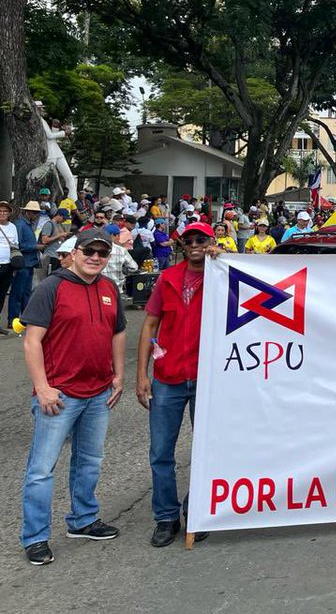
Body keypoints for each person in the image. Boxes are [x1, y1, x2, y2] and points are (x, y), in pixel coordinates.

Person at [19, 228, 126, 565]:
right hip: (60, 394)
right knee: (41, 470)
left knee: (89, 461)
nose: (95, 258)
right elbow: (31, 340)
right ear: (74, 252)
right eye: (89, 251)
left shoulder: (109, 288)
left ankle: (83, 520)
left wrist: (119, 375)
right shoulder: (52, 287)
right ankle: (35, 538)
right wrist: (42, 387)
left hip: (98, 392)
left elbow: (117, 333)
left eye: (102, 253)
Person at [136, 222, 219, 547]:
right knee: (160, 453)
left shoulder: (222, 273)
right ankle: (166, 517)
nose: (196, 244)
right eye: (190, 240)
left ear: (211, 241)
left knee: (207, 450)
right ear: (182, 245)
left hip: (207, 378)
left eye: (202, 239)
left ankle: (196, 510)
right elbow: (150, 325)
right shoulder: (167, 279)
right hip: (168, 377)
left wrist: (225, 258)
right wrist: (141, 375)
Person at [9, 201, 42, 326]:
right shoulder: (20, 225)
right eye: (34, 212)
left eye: (37, 213)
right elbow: (18, 245)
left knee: (26, 292)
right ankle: (12, 319)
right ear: (27, 212)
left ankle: (25, 318)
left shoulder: (28, 225)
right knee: (18, 292)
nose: (36, 215)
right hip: (23, 263)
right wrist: (35, 246)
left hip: (30, 263)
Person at [0, 200, 20, 332]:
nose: (2, 213)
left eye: (5, 211)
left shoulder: (13, 227)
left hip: (7, 265)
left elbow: (15, 244)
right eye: (0, 211)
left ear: (9, 213)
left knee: (1, 295)